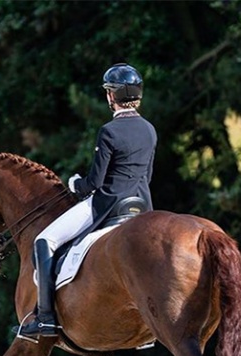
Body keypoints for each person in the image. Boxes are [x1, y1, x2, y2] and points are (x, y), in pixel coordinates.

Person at [18, 63, 158, 340]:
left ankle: (45, 318)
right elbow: (148, 174)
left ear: (111, 96)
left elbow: (94, 183)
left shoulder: (109, 132)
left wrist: (75, 184)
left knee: (43, 241)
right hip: (141, 205)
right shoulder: (149, 129)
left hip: (107, 204)